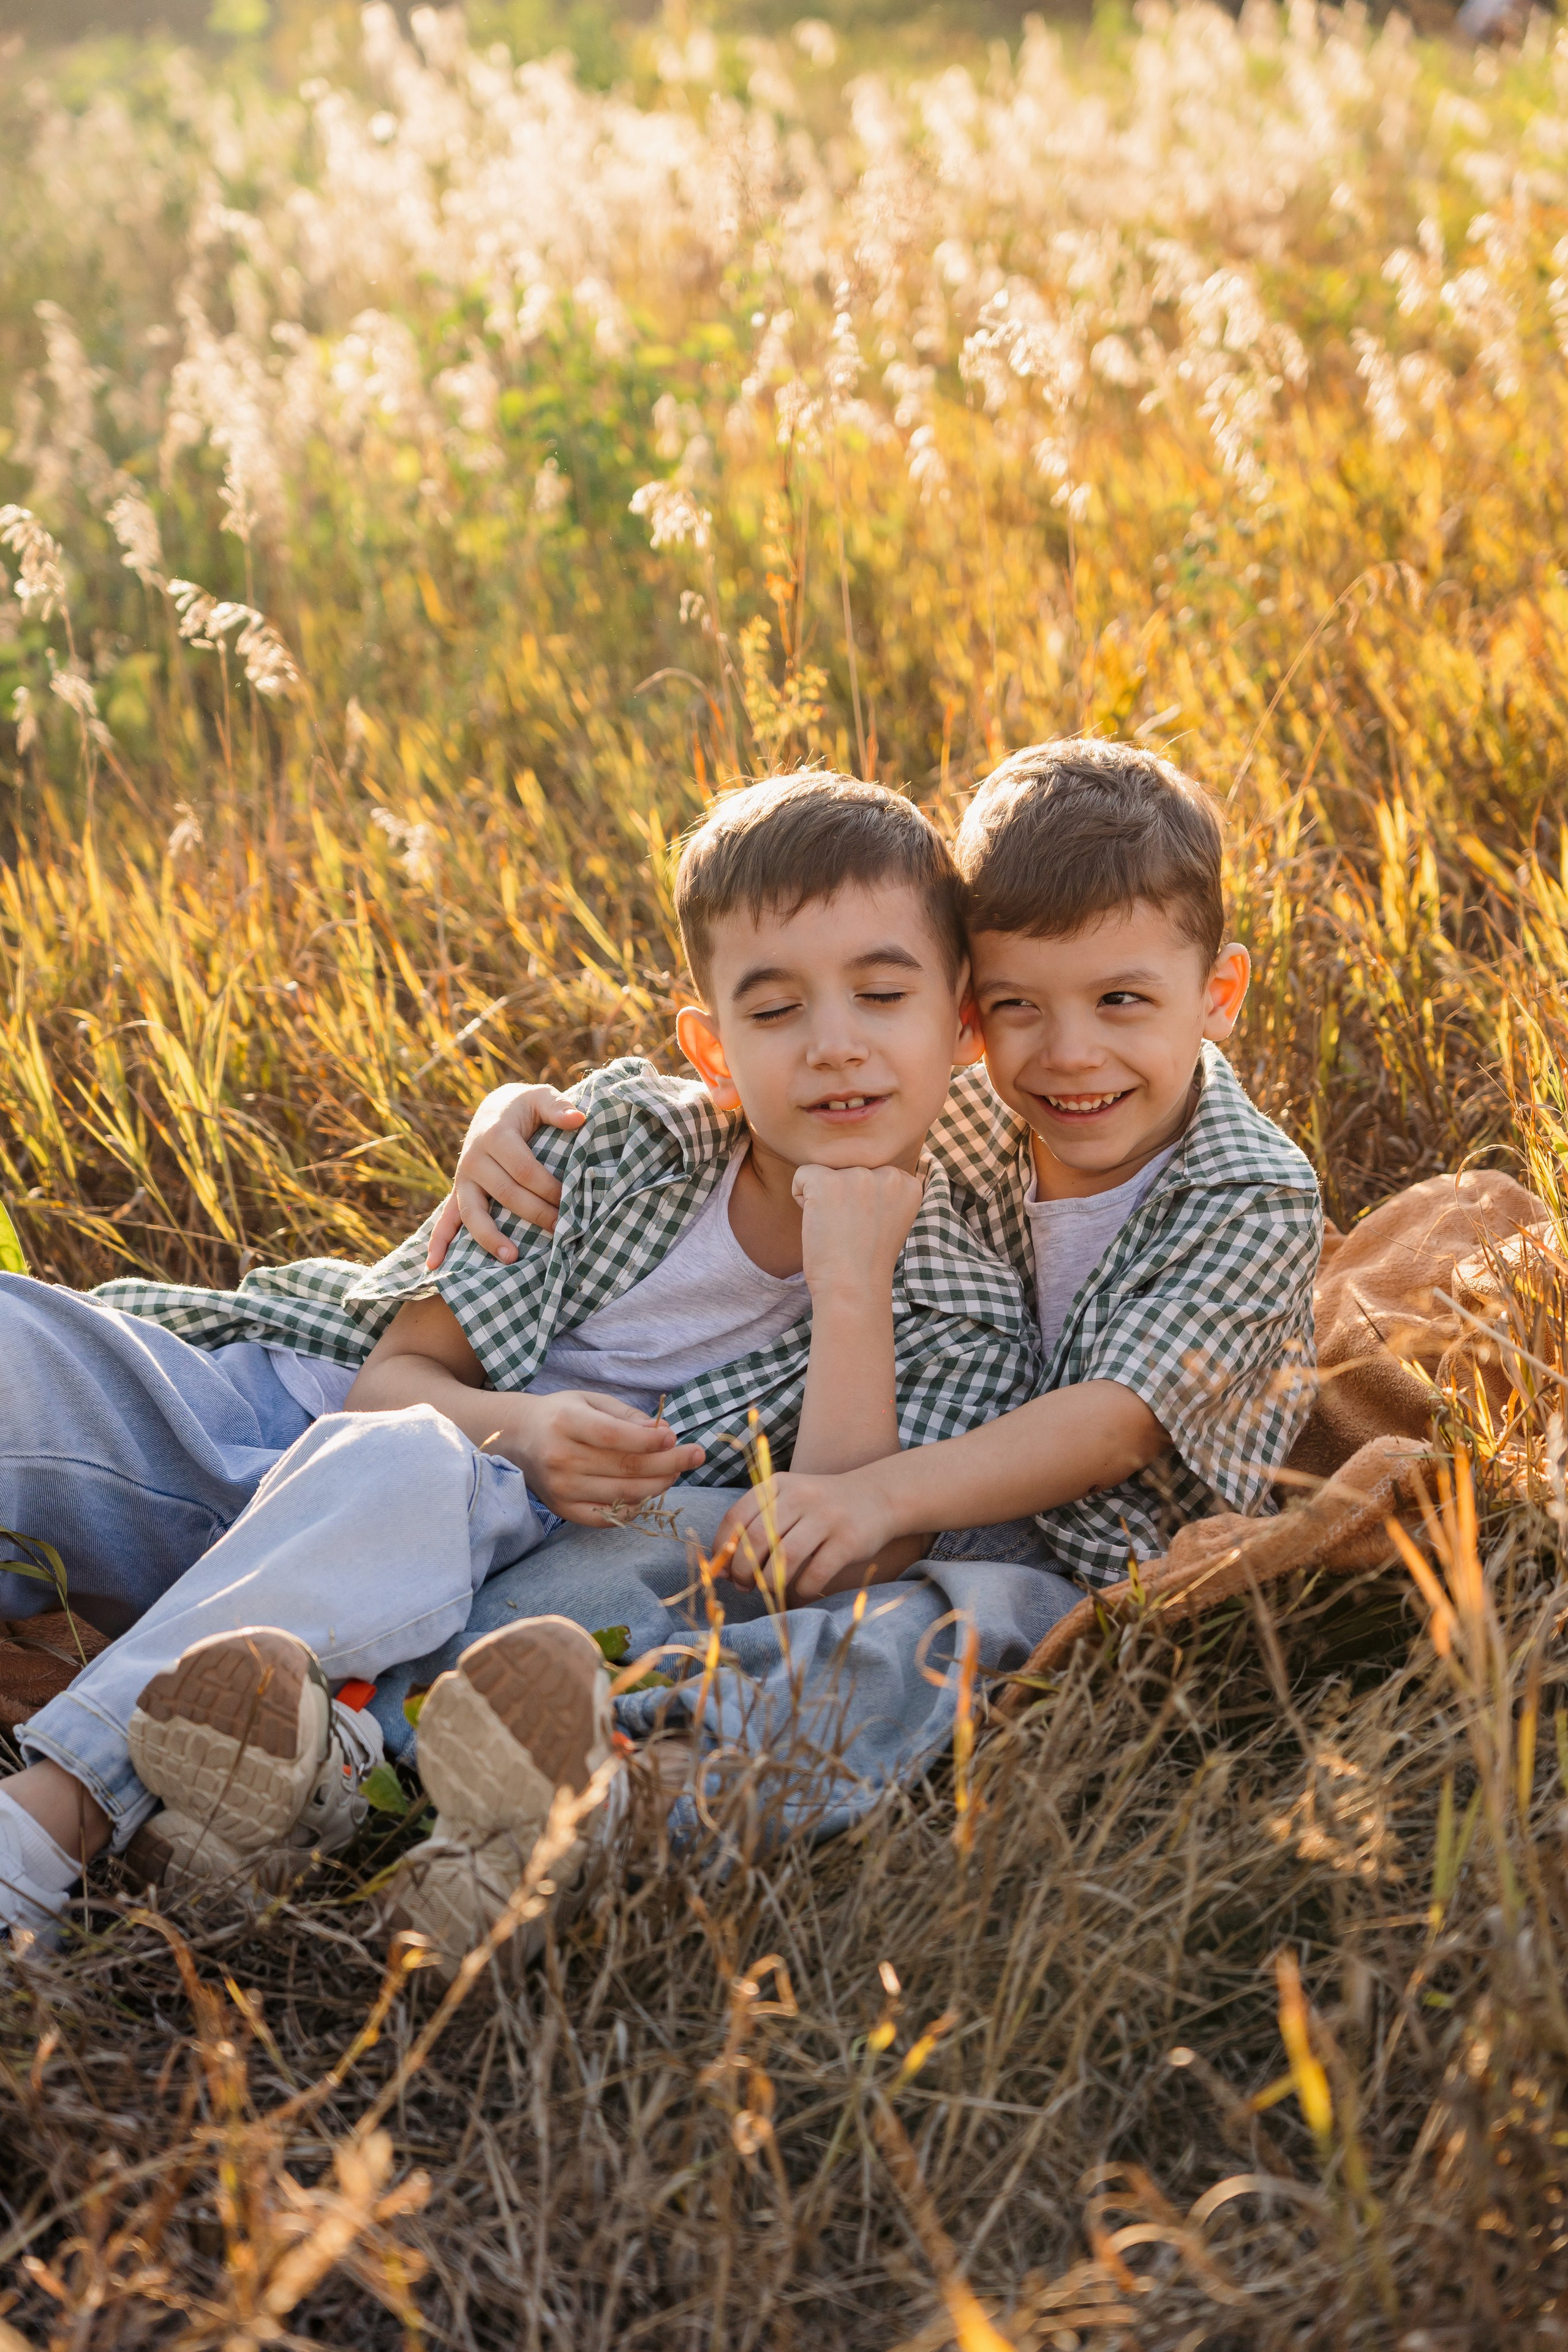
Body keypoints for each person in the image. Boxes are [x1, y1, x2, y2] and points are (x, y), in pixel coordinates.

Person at [0, 773, 1051, 1951]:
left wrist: (852, 1287)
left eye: (882, 994)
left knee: (424, 1473)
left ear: (962, 1024)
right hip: (256, 1441)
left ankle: (54, 1817)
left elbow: (836, 1551)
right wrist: (530, 1434)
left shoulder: (965, 1295)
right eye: (775, 1011)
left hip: (463, 1580)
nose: (836, 1045)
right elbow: (390, 1386)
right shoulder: (617, 1148)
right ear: (711, 1049)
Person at [361, 736, 1323, 1963]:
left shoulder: (1249, 1190)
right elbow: (763, 1080)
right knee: (678, 1550)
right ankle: (447, 1726)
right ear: (968, 1014)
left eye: (1120, 1002)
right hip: (883, 1485)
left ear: (1218, 993)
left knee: (927, 1640)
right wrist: (511, 1114)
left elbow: (1114, 1422)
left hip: (1082, 1558)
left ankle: (635, 1801)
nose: (1068, 1053)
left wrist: (878, 1498)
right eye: (1017, 1007)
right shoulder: (969, 1101)